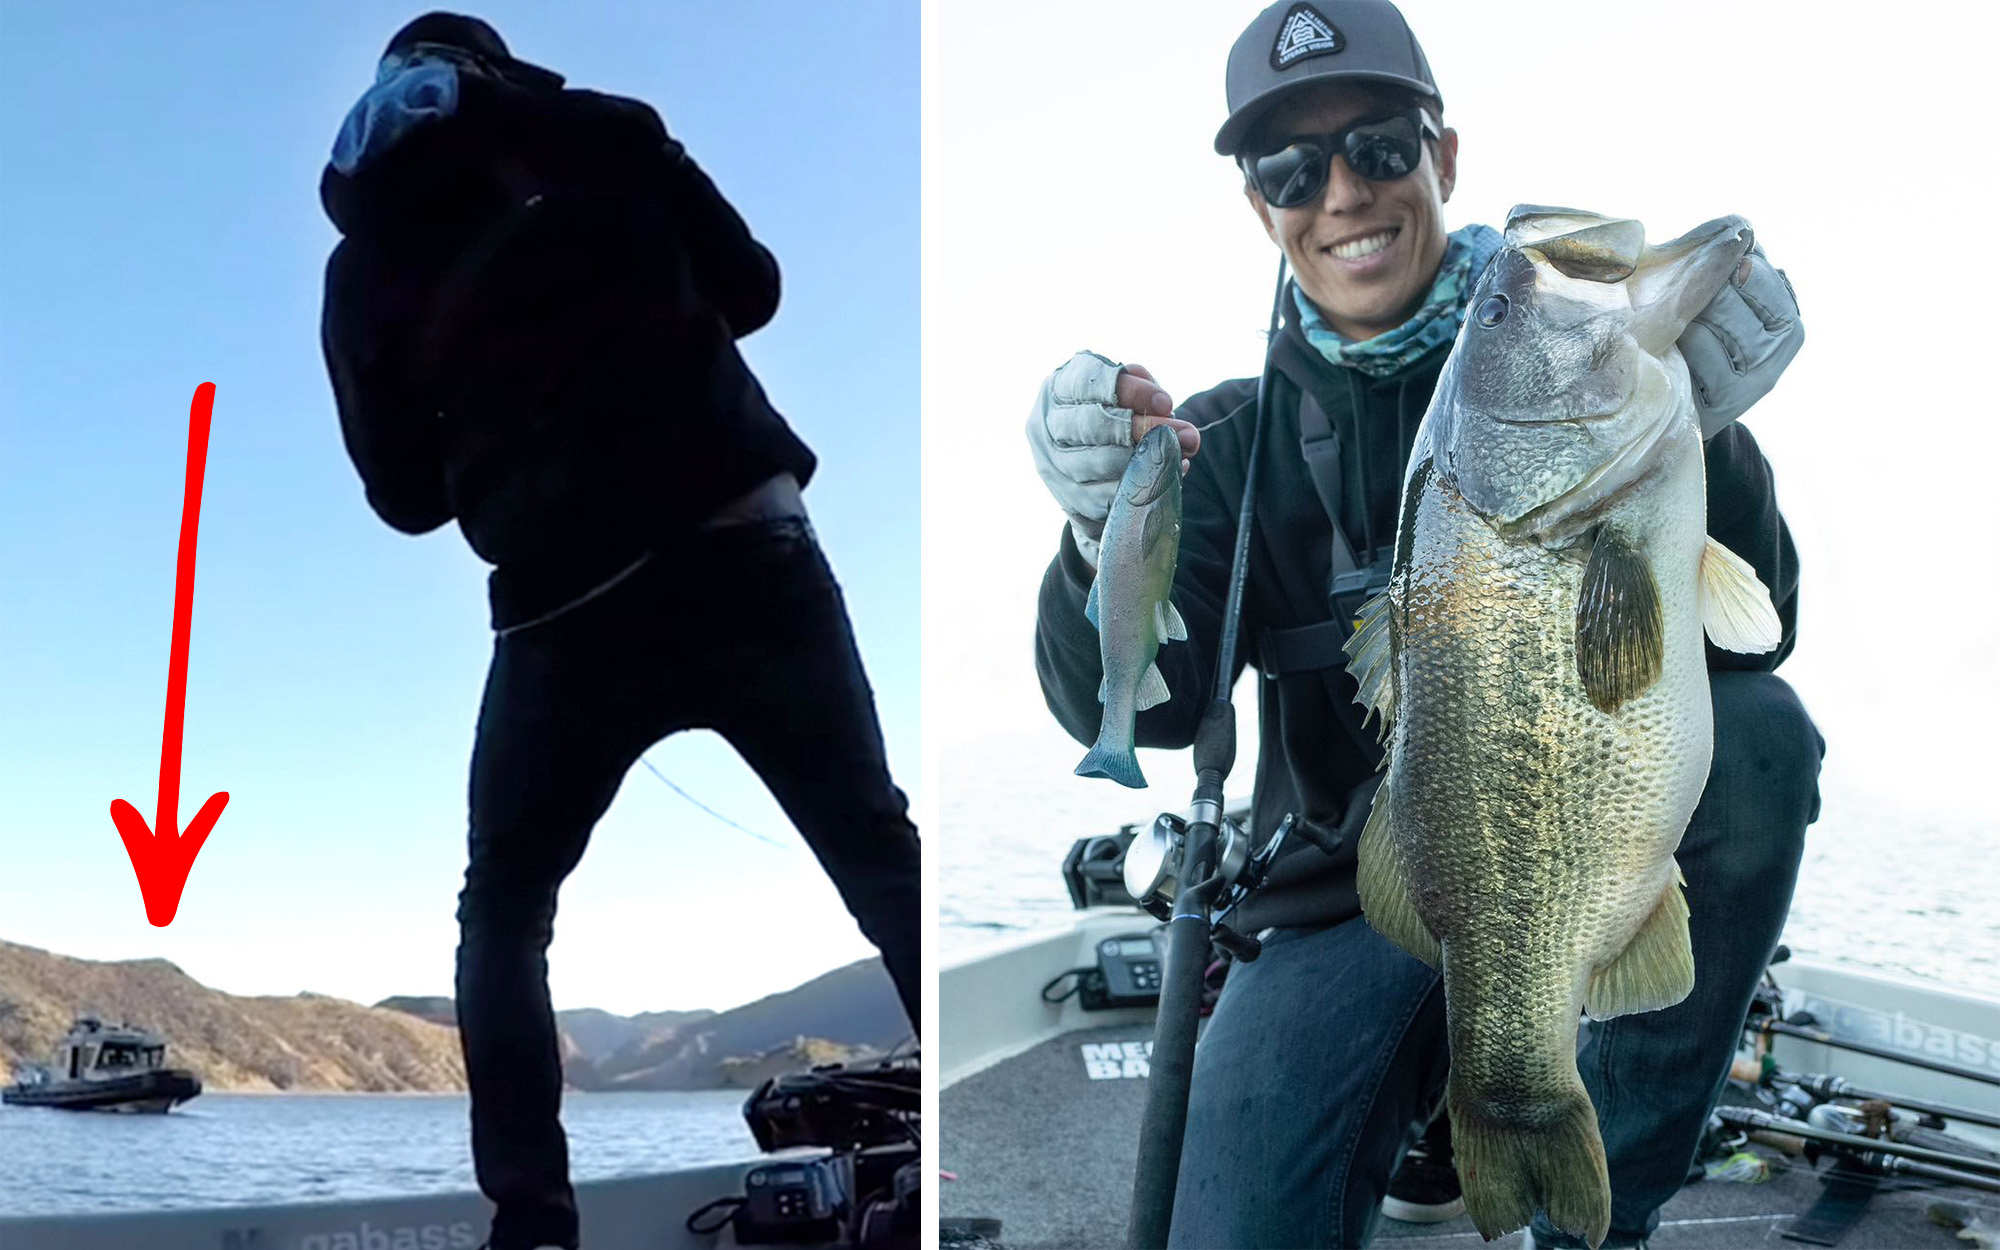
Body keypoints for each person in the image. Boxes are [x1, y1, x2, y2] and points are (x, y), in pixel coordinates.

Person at [1025, 2, 1822, 1247]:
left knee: (1765, 737)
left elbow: (1749, 642)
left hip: (1567, 849)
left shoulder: (1602, 383)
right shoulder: (1220, 443)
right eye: (1289, 166)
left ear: (1441, 157)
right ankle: (1437, 1122)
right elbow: (1144, 707)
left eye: (1379, 145)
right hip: (1332, 895)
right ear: (1260, 208)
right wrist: (1094, 539)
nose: (1340, 189)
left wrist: (1709, 434)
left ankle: (1595, 1214)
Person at [318, 14, 921, 1250]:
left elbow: (402, 496)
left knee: (504, 912)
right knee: (877, 852)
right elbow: (750, 286)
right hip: (740, 540)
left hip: (556, 609)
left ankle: (533, 1224)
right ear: (490, 65)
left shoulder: (363, 256)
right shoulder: (598, 128)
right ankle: (955, 1176)